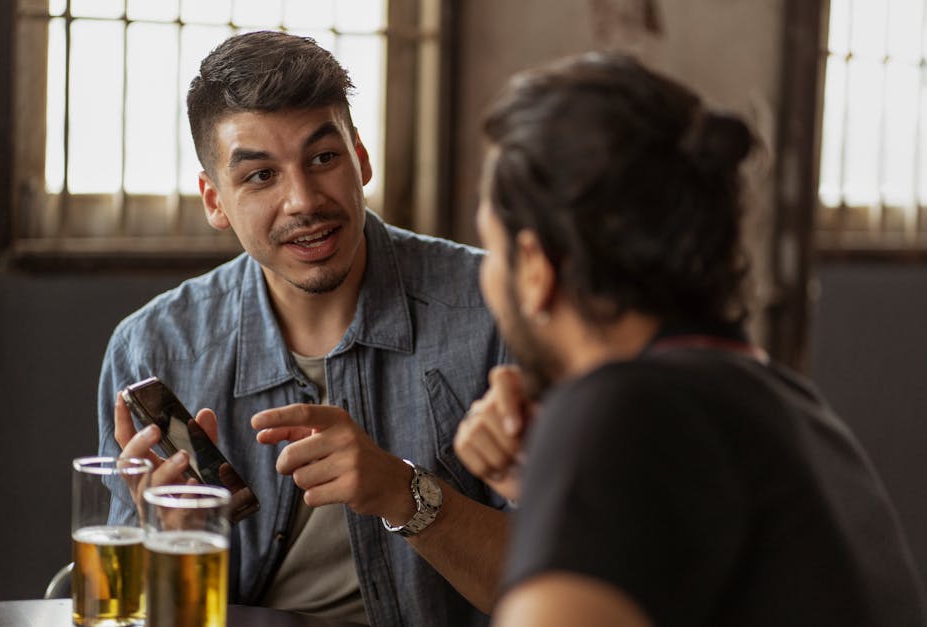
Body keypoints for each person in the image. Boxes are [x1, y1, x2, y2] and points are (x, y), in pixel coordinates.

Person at [455, 52, 927, 626]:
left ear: (535, 266)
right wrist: (556, 495)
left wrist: (581, 456)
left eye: (490, 245)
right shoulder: (790, 405)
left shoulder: (619, 408)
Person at [97, 31, 511, 627]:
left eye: (323, 158)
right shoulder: (153, 346)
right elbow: (121, 606)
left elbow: (568, 584)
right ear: (215, 201)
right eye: (261, 176)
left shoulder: (496, 308)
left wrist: (404, 494)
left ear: (361, 159)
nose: (303, 201)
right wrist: (171, 543)